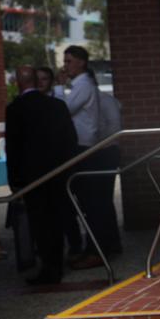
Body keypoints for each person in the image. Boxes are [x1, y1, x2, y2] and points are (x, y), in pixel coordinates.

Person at [6, 66, 78, 285]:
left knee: (40, 222)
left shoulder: (15, 109)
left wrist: (15, 180)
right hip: (57, 172)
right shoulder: (57, 106)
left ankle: (49, 266)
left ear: (18, 82)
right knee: (57, 218)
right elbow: (70, 139)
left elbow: (13, 147)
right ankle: (59, 259)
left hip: (32, 177)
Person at [61, 45, 121, 265]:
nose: (65, 66)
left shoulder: (83, 86)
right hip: (95, 149)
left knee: (94, 204)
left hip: (90, 150)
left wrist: (58, 89)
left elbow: (64, 111)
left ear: (81, 63)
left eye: (68, 61)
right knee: (98, 203)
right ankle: (104, 246)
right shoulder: (86, 88)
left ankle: (97, 250)